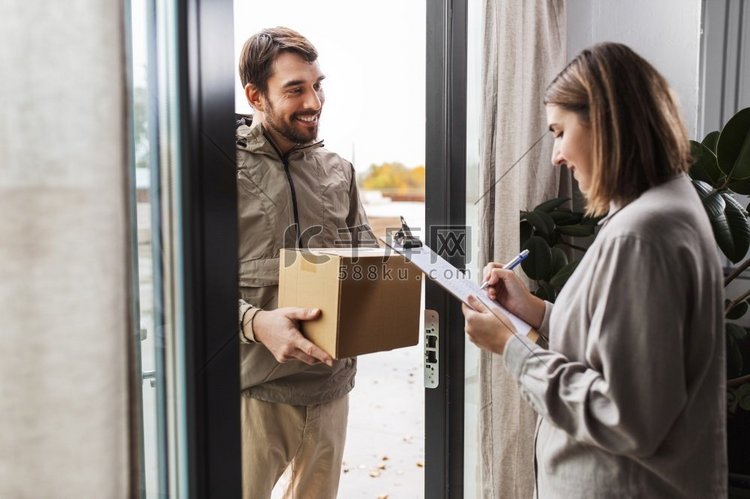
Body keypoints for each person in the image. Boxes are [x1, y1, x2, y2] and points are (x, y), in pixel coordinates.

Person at [463, 42, 727, 498]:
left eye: (559, 132)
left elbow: (626, 416)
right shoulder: (661, 208)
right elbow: (620, 344)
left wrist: (511, 348)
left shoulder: (642, 234)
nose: (556, 156)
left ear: (604, 123)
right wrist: (536, 311)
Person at [236, 27, 375, 499]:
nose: (314, 100)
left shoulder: (340, 171)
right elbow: (183, 286)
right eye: (295, 89)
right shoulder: (219, 172)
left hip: (331, 389)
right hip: (254, 392)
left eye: (318, 85)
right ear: (256, 96)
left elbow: (366, 264)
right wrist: (256, 323)